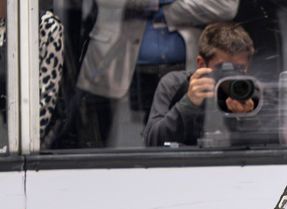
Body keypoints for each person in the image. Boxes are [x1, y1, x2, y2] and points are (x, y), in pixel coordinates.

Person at [70, 0, 237, 148]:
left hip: (183, 66)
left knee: (182, 146)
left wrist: (167, 10)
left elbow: (225, 6)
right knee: (98, 148)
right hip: (113, 64)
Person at [143, 22, 256, 147]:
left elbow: (271, 146)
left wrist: (246, 118)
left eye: (239, 68)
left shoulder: (254, 91)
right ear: (201, 63)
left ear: (248, 66)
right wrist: (188, 104)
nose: (230, 75)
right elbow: (152, 142)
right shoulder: (175, 85)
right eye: (222, 68)